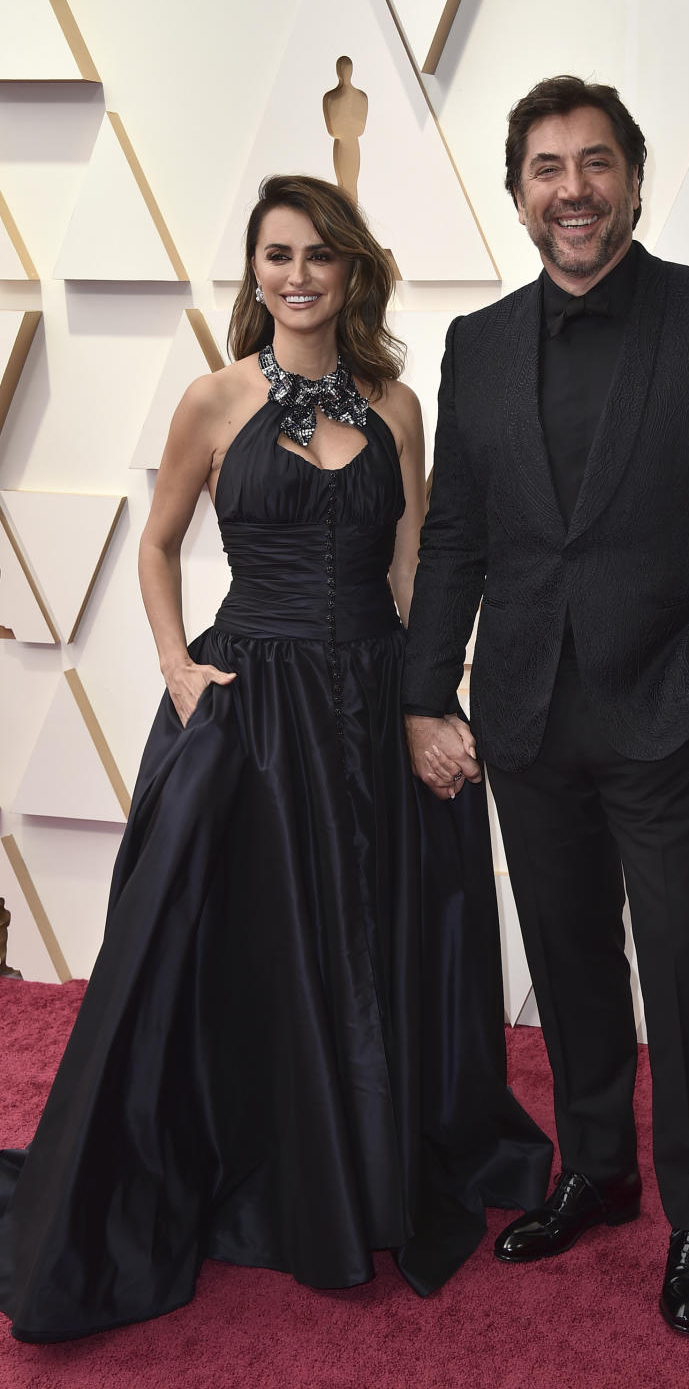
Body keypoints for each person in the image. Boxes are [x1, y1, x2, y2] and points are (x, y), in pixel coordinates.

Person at [0, 175, 551, 1343]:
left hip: (364, 703)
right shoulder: (213, 398)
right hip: (253, 708)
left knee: (363, 941)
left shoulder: (399, 406)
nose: (298, 275)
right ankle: (270, 1167)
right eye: (278, 255)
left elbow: (410, 572)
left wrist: (431, 707)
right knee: (257, 953)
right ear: (253, 271)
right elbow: (155, 548)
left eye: (320, 256)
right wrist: (172, 666)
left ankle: (363, 1162)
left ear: (354, 271)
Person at [402, 77, 689, 1334]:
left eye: (592, 164)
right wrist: (424, 695)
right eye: (545, 168)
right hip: (525, 711)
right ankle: (597, 1170)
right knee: (573, 958)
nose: (570, 190)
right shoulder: (475, 346)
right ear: (517, 191)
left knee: (683, 971)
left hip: (666, 706)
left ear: (633, 176)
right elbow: (459, 539)